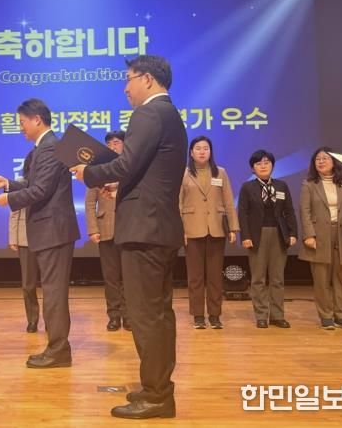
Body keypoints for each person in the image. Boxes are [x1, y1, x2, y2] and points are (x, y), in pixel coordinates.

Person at [71, 55, 187, 419]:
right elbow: (145, 173)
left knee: (147, 316)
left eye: (129, 79)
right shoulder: (169, 114)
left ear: (148, 79)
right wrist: (118, 186)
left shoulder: (148, 113)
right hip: (158, 227)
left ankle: (157, 396)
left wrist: (88, 173)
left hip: (144, 231)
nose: (125, 88)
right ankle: (156, 389)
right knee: (157, 315)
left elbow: (126, 164)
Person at [0, 98, 80, 369]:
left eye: (22, 122)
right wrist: (8, 184)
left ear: (37, 119)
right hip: (50, 230)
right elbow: (36, 184)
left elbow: (40, 191)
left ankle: (58, 351)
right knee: (52, 293)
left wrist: (9, 198)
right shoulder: (44, 147)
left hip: (53, 230)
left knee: (54, 294)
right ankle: (57, 348)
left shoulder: (49, 147)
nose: (20, 127)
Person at [298, 147, 342, 330]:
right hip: (319, 236)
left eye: (325, 158)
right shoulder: (309, 184)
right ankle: (326, 316)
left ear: (334, 162)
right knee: (322, 279)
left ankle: (341, 316)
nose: (321, 161)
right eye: (317, 159)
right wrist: (309, 235)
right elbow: (305, 212)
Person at [179, 136, 239, 329]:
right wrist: (180, 230)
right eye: (198, 148)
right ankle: (198, 315)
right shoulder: (183, 173)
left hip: (216, 229)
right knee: (195, 277)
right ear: (191, 152)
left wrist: (233, 227)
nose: (202, 151)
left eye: (206, 148)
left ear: (210, 152)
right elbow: (178, 203)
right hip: (192, 229)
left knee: (214, 276)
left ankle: (214, 315)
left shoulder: (220, 172)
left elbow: (229, 201)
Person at [237, 150, 297, 329]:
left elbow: (289, 211)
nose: (263, 166)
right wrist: (245, 236)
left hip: (279, 234)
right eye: (258, 163)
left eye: (266, 162)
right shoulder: (247, 187)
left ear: (272, 165)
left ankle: (277, 315)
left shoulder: (281, 186)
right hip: (257, 236)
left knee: (277, 278)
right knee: (258, 278)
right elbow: (243, 213)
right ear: (252, 168)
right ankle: (261, 315)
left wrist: (293, 233)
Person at [84, 130, 129, 331]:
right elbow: (89, 203)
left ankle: (129, 315)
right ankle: (114, 316)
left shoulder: (131, 166)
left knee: (129, 276)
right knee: (111, 277)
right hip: (105, 229)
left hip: (129, 228)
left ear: (125, 145)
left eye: (116, 142)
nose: (112, 146)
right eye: (109, 143)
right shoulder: (99, 169)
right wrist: (93, 229)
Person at [8, 152, 40, 333]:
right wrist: (13, 238)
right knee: (28, 284)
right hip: (24, 237)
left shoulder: (48, 180)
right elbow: (14, 212)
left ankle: (52, 320)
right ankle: (32, 319)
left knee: (50, 284)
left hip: (46, 237)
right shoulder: (19, 183)